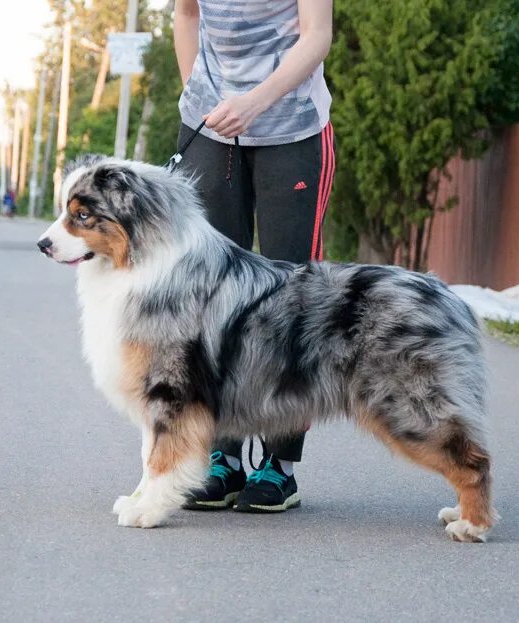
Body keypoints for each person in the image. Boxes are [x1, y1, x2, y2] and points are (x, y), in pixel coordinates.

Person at [174, 0, 335, 513]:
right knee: (210, 292)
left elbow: (317, 34)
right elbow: (186, 14)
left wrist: (255, 101)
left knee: (292, 297)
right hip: (212, 126)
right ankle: (222, 455)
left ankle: (281, 462)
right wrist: (198, 97)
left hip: (292, 128)